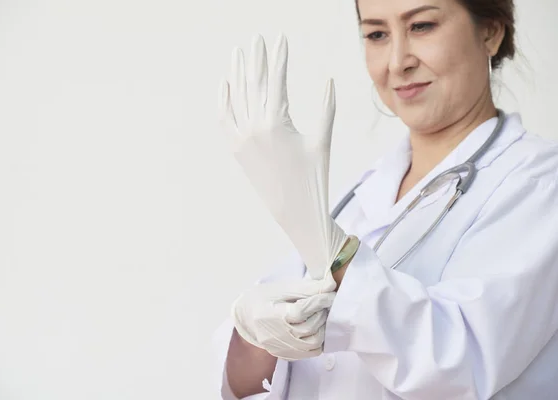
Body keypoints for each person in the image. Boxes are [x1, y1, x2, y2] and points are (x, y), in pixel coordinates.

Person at [213, 0, 558, 398]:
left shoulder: (540, 185)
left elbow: (456, 362)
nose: (397, 62)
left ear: (491, 32)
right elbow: (247, 385)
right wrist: (254, 337)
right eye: (377, 34)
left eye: (423, 26)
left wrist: (335, 253)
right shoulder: (362, 195)